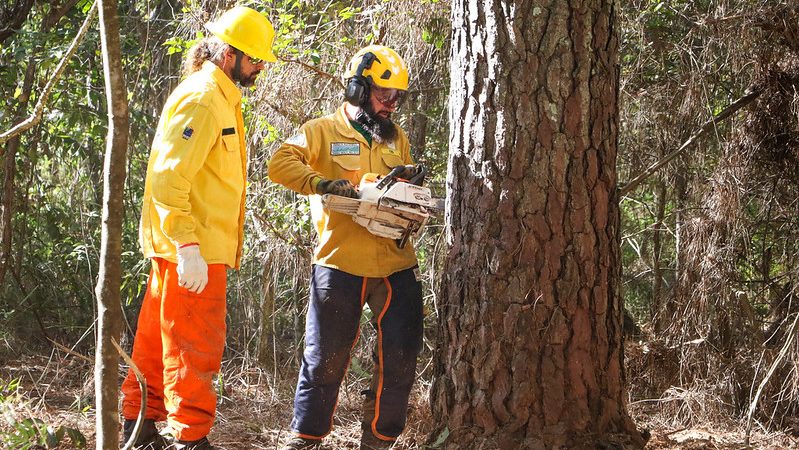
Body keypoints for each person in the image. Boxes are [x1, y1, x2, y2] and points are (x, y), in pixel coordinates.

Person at [119, 6, 276, 450]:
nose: (260, 67)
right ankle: (191, 438)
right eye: (255, 59)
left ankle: (139, 424)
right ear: (229, 54)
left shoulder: (219, 95)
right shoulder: (206, 97)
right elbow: (169, 178)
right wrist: (187, 244)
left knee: (156, 340)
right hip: (194, 247)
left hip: (190, 244)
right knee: (195, 345)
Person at [268, 45, 424, 450]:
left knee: (401, 357)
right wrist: (321, 183)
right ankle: (306, 437)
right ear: (357, 89)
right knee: (324, 358)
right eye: (383, 95)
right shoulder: (320, 131)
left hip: (396, 263)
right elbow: (279, 163)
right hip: (340, 263)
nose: (391, 105)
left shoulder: (396, 138)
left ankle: (379, 439)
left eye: (397, 98)